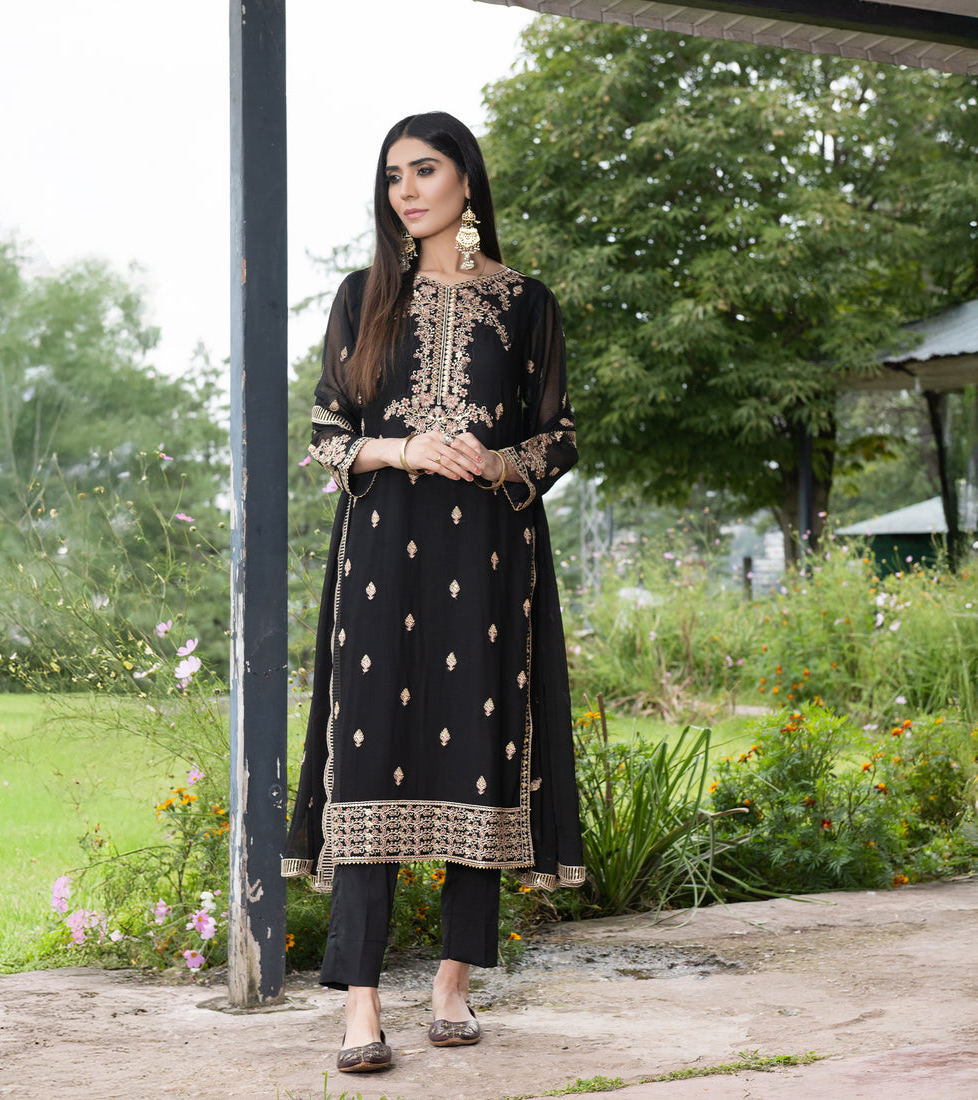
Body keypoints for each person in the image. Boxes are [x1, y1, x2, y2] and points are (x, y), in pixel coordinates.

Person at [282, 111, 584, 1074]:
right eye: (392, 176)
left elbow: (558, 435)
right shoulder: (364, 296)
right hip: (383, 549)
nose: (405, 191)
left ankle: (453, 983)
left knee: (476, 748)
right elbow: (328, 434)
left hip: (488, 551)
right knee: (368, 747)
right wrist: (406, 446)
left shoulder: (526, 303)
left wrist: (497, 462)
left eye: (423, 171)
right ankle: (360, 1004)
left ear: (465, 179)